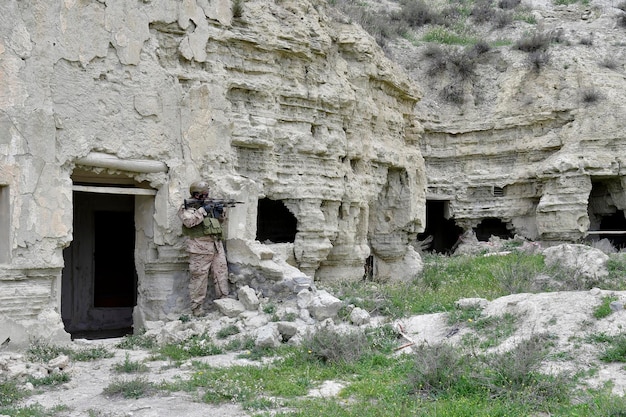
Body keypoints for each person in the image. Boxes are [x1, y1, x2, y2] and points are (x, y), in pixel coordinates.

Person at [178, 180, 230, 317]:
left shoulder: (209, 203)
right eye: (204, 194)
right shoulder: (187, 207)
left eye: (207, 193)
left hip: (216, 245)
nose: (207, 196)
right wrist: (203, 210)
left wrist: (219, 212)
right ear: (197, 195)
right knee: (199, 279)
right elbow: (189, 222)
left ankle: (224, 304)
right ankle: (197, 309)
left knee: (221, 274)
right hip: (199, 248)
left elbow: (220, 221)